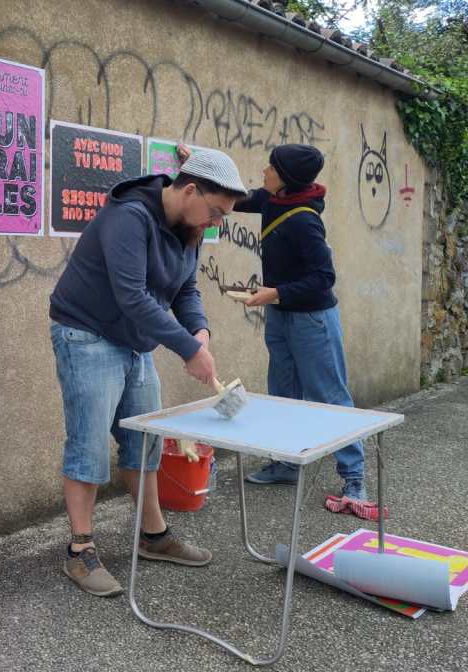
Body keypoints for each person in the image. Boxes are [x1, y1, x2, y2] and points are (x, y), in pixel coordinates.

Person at [49, 147, 248, 597]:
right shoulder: (129, 217)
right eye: (216, 212)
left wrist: (199, 332)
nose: (215, 223)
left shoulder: (189, 228)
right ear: (191, 190)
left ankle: (154, 536)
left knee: (145, 440)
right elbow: (132, 296)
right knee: (88, 444)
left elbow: (186, 288)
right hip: (87, 333)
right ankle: (80, 551)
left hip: (134, 340)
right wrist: (186, 350)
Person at [188, 143, 369, 504]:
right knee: (283, 392)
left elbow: (324, 278)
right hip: (280, 314)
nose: (264, 171)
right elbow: (235, 198)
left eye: (271, 167)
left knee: (329, 396)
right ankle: (286, 463)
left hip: (313, 321)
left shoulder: (305, 220)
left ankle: (354, 477)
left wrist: (275, 293)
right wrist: (196, 167)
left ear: (286, 178)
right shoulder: (272, 199)